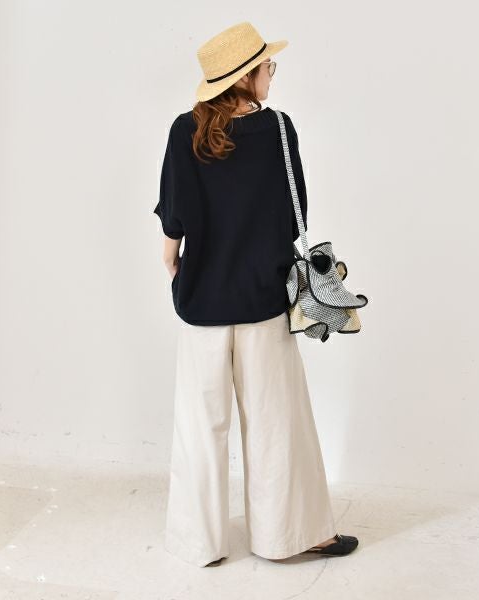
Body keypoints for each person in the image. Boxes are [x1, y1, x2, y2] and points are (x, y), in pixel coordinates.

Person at [153, 21, 359, 567]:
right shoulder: (279, 131)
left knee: (200, 427)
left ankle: (199, 544)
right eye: (268, 66)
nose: (272, 73)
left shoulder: (184, 130)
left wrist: (172, 258)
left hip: (201, 301)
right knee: (275, 423)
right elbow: (297, 216)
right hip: (264, 300)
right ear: (245, 76)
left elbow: (175, 216)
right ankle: (288, 537)